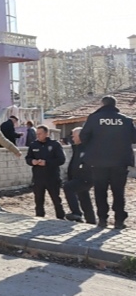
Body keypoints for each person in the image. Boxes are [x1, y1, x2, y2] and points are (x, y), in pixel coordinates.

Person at [79, 95, 136, 229]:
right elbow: (134, 138)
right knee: (118, 192)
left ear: (102, 104)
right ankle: (119, 221)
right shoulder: (126, 120)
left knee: (100, 191)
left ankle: (103, 220)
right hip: (120, 162)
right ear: (115, 105)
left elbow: (83, 137)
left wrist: (94, 147)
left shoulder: (94, 118)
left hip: (98, 162)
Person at [25, 124, 66, 219]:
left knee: (56, 199)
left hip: (52, 177)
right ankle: (39, 217)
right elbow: (28, 158)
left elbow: (61, 160)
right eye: (37, 134)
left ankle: (61, 218)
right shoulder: (33, 145)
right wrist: (32, 161)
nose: (38, 136)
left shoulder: (55, 145)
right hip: (38, 178)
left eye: (40, 133)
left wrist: (47, 163)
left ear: (46, 134)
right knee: (38, 200)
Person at [63, 127, 96, 224]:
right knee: (84, 198)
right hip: (77, 178)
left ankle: (76, 213)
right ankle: (91, 221)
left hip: (86, 178)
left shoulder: (89, 147)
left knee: (68, 187)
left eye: (74, 136)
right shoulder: (77, 147)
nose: (72, 138)